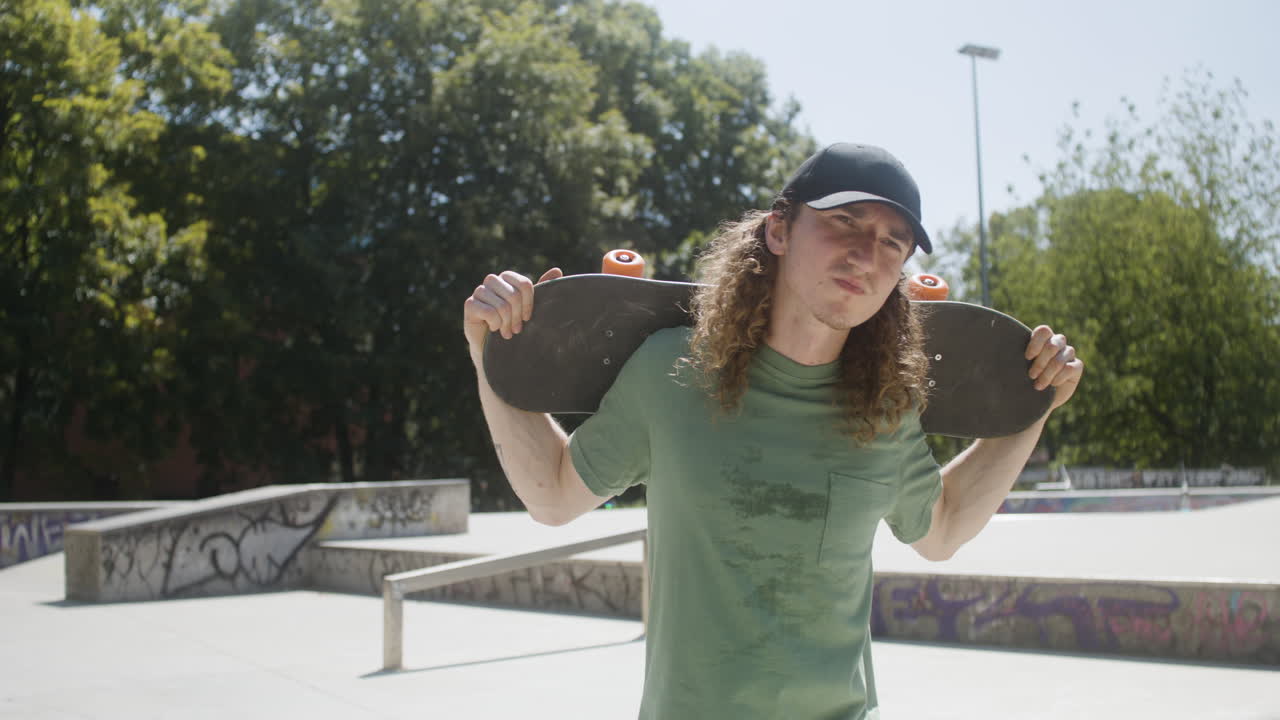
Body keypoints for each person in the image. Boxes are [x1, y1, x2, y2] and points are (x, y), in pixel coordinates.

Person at [462, 143, 1084, 719]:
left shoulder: (884, 409)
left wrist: (1032, 412)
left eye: (893, 244)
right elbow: (551, 493)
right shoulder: (673, 371)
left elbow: (942, 529)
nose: (867, 255)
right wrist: (492, 355)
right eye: (845, 222)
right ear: (780, 230)